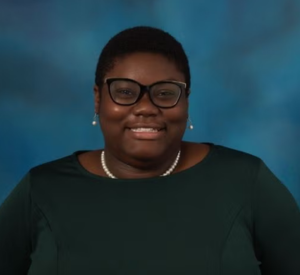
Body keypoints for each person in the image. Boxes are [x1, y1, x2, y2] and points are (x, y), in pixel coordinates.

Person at [0, 26, 300, 275]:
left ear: (186, 101)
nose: (145, 108)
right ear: (98, 99)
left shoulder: (245, 181)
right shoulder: (41, 189)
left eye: (166, 93)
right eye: (125, 92)